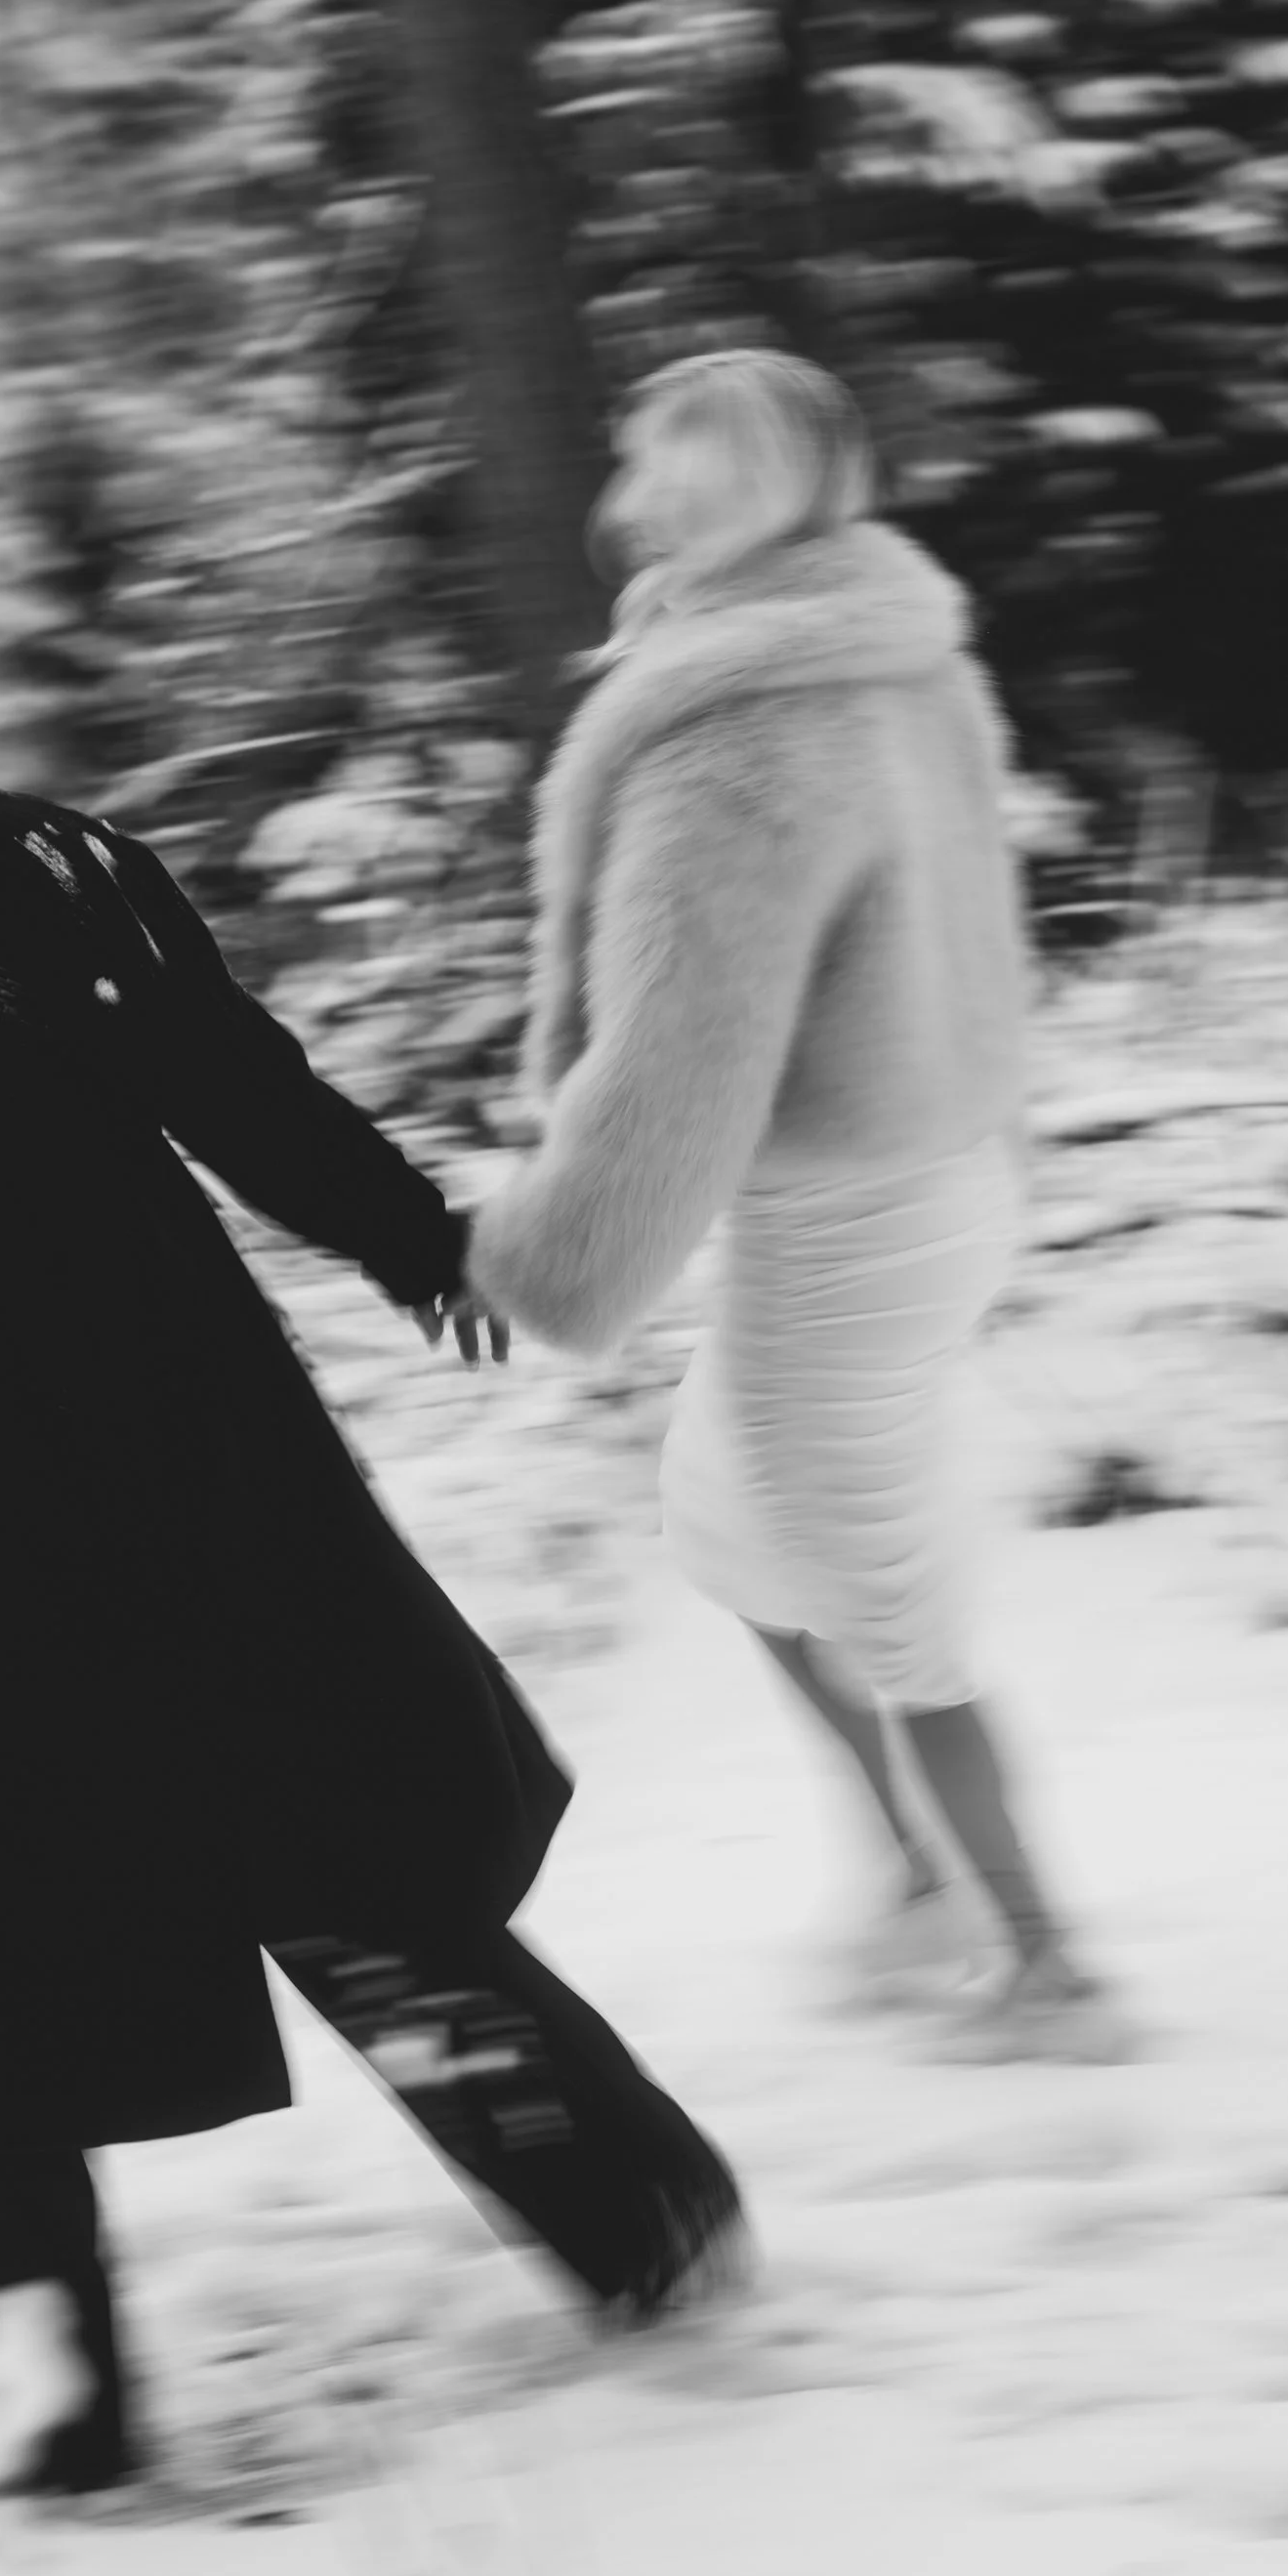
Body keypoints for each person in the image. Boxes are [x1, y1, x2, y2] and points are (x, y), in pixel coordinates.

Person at [0, 525, 744, 2496]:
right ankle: (639, 2209)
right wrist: (414, 1244)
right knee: (342, 1863)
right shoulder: (49, 866)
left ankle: (46, 2391)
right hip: (184, 1468)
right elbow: (244, 1090)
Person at [468, 355, 1130, 2060]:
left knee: (883, 1593)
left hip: (847, 1217)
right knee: (731, 1527)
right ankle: (916, 1873)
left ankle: (1046, 1966)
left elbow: (684, 1044)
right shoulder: (891, 647)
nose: (628, 489)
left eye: (656, 461)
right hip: (941, 1173)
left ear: (710, 494)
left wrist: (546, 1248)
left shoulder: (738, 724)